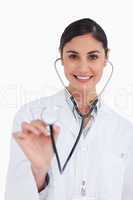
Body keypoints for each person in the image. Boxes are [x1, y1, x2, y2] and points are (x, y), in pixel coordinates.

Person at [5, 18, 133, 200]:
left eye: (93, 56)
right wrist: (39, 171)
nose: (82, 67)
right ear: (61, 56)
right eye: (73, 56)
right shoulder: (31, 117)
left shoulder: (125, 132)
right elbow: (15, 194)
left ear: (106, 58)